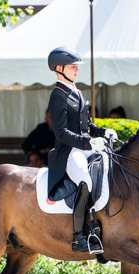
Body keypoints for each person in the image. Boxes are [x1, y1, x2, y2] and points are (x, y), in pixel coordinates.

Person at [46, 46, 117, 253]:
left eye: (77, 66)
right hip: (69, 152)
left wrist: (103, 132)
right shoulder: (58, 96)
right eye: (72, 66)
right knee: (85, 181)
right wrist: (87, 143)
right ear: (59, 68)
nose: (76, 70)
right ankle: (79, 236)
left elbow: (87, 127)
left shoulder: (77, 92)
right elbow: (61, 133)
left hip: (83, 147)